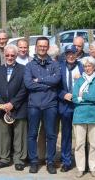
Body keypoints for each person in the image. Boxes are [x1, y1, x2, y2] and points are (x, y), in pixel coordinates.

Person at [24, 36, 61, 174]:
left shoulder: (54, 64)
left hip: (50, 104)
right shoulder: (29, 65)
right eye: (40, 45)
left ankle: (50, 162)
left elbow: (56, 80)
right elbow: (29, 84)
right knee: (32, 134)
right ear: (36, 47)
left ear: (48, 47)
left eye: (45, 46)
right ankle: (34, 161)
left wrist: (39, 80)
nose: (42, 48)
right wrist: (47, 85)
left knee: (51, 134)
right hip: (34, 105)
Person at [0, 44, 28, 170]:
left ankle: (19, 159)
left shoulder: (23, 69)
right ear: (4, 55)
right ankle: (3, 158)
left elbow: (24, 89)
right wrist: (4, 105)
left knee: (20, 135)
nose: (10, 57)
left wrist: (12, 104)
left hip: (19, 107)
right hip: (2, 108)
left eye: (12, 55)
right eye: (7, 55)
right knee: (3, 135)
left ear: (16, 55)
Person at [70, 57, 95, 177]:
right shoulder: (79, 81)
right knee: (79, 144)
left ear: (94, 67)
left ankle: (92, 167)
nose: (87, 68)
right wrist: (87, 97)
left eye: (89, 66)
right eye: (85, 66)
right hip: (79, 116)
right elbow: (75, 98)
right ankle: (80, 168)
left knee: (94, 144)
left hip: (94, 116)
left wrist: (83, 96)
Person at [58, 45, 83, 172]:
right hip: (65, 105)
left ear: (76, 54)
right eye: (68, 53)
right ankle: (66, 161)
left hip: (79, 105)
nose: (71, 56)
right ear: (65, 55)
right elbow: (55, 85)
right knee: (66, 134)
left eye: (73, 53)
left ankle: (82, 162)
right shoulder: (59, 67)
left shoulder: (82, 67)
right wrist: (63, 94)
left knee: (81, 135)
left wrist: (81, 79)